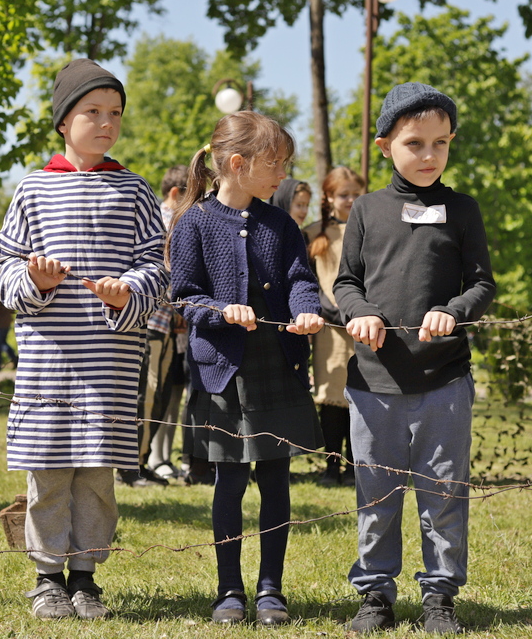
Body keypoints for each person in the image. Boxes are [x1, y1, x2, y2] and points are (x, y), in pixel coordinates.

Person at [0, 58, 167, 621]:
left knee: (95, 472)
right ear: (64, 121)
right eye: (93, 111)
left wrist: (128, 291)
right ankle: (46, 578)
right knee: (48, 468)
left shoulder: (135, 190)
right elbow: (2, 269)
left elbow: (156, 267)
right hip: (50, 360)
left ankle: (86, 576)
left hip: (110, 360)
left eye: (115, 112)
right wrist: (33, 282)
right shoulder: (34, 191)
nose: (106, 121)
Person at [334, 83, 495, 635]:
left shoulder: (462, 210)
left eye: (440, 143)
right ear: (385, 147)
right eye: (415, 143)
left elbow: (481, 284)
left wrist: (454, 309)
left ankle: (440, 597)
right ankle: (375, 594)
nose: (428, 155)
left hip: (444, 381)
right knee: (376, 495)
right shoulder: (366, 210)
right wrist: (360, 312)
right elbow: (345, 282)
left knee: (443, 492)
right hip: (372, 382)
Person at [168, 111, 326, 627]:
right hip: (221, 373)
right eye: (275, 163)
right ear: (238, 164)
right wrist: (219, 309)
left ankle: (271, 590)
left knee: (276, 480)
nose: (283, 173)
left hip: (276, 366)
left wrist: (307, 309)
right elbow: (185, 297)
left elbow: (301, 279)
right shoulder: (193, 222)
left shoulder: (281, 224)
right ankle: (228, 590)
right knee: (230, 482)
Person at [304, 166, 366, 486]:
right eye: (344, 195)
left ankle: (356, 466)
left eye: (357, 193)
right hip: (328, 327)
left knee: (360, 397)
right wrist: (326, 308)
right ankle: (331, 467)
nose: (351, 200)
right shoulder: (315, 232)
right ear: (329, 196)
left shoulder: (371, 229)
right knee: (331, 398)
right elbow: (308, 278)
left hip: (362, 326)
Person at [147, 165, 190, 483]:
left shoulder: (175, 222)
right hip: (152, 320)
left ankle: (151, 459)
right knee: (149, 394)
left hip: (168, 324)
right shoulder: (162, 224)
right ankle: (137, 462)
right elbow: (164, 273)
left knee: (162, 394)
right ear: (175, 194)